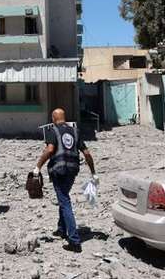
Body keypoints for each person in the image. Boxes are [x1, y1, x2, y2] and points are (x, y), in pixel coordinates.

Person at [33, 108, 97, 253]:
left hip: (59, 171)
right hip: (72, 171)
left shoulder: (53, 131)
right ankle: (61, 229)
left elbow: (49, 150)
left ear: (53, 118)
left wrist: (37, 167)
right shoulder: (75, 131)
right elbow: (86, 153)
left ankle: (74, 241)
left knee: (65, 201)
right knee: (64, 199)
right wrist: (93, 172)